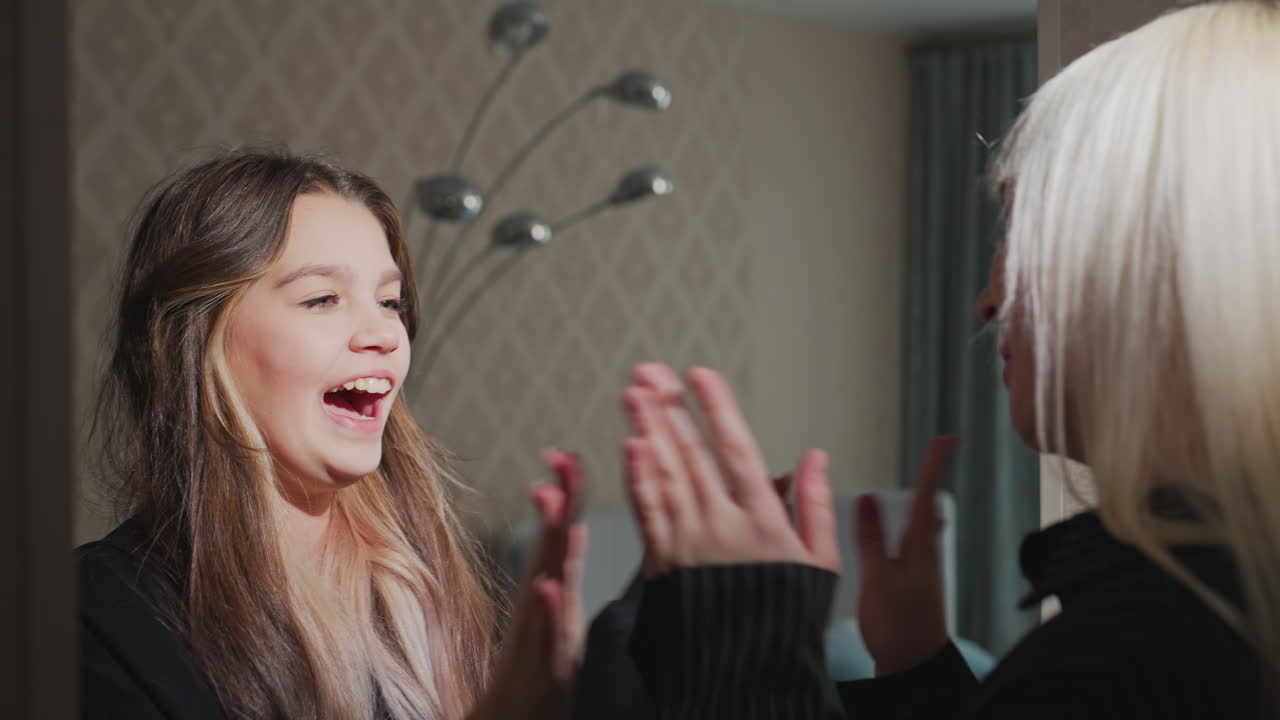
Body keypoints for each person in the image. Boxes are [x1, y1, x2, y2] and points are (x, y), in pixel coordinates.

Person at [610, 2, 1277, 717]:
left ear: (1156, 260)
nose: (986, 304)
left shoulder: (1144, 653)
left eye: (1022, 221)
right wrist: (918, 671)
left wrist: (745, 651)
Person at [77, 152, 591, 720]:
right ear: (195, 342)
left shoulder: (430, 583)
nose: (386, 335)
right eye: (322, 298)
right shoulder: (96, 617)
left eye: (390, 302)